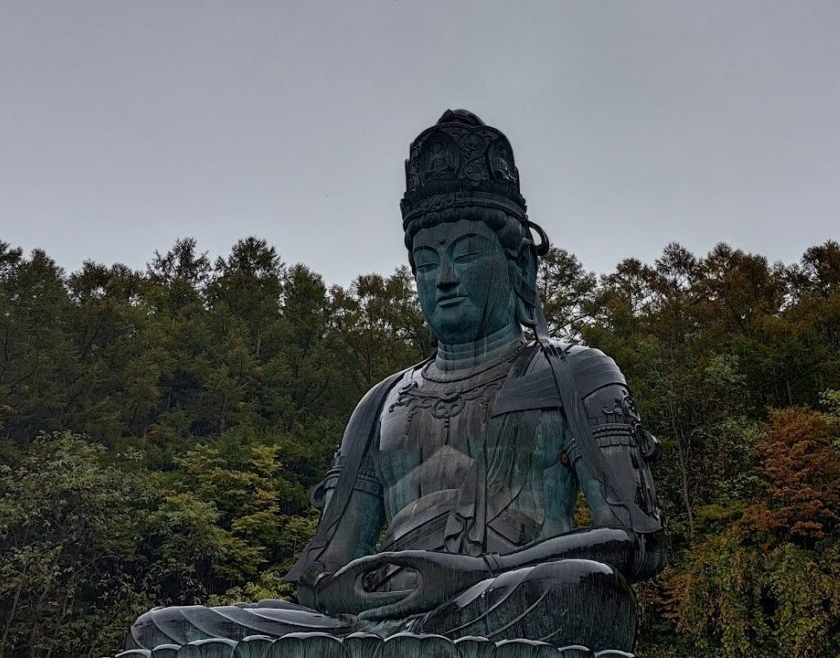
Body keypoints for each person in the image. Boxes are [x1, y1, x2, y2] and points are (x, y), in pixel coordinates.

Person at [128, 110, 665, 654]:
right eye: (426, 262)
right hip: (377, 621)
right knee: (161, 627)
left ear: (520, 265)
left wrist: (475, 571)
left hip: (501, 600)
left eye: (465, 253)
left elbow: (638, 538)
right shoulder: (381, 402)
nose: (444, 278)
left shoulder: (574, 372)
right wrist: (348, 589)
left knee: (582, 587)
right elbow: (324, 569)